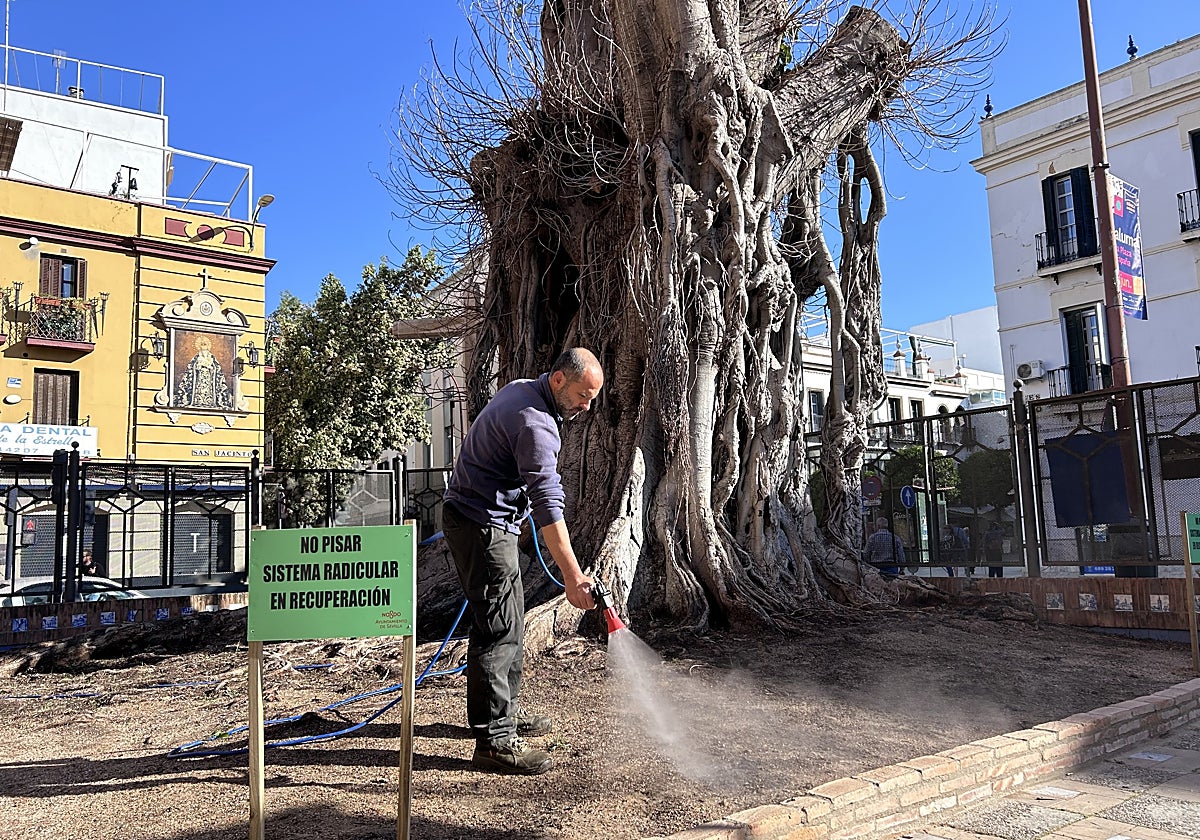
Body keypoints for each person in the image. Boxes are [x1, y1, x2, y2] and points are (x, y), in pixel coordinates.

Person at [441, 348, 602, 776]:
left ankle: (502, 714)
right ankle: (494, 742)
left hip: (481, 517)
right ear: (559, 381)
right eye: (584, 396)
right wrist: (573, 577)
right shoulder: (536, 423)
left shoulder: (521, 389)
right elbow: (549, 505)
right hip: (481, 524)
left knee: (507, 620)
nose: (587, 407)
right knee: (497, 626)